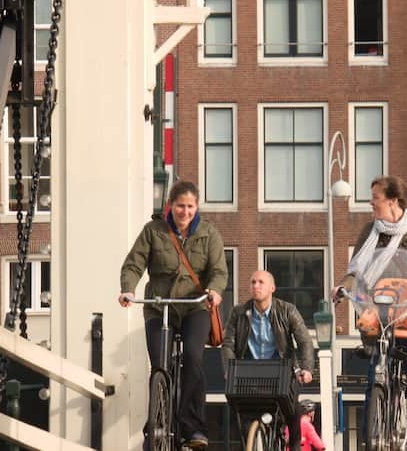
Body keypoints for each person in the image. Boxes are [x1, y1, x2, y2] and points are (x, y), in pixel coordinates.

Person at [333, 175, 407, 424]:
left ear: (393, 201)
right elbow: (356, 270)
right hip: (379, 307)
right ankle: (370, 427)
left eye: (375, 198)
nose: (371, 203)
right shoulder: (370, 231)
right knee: (374, 366)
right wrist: (343, 288)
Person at [119, 180, 227, 449]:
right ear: (170, 205)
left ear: (197, 207)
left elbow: (218, 270)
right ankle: (157, 421)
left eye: (190, 206)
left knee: (193, 357)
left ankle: (192, 426)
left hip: (195, 307)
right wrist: (128, 289)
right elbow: (134, 264)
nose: (185, 212)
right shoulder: (154, 231)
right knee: (159, 364)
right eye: (180, 206)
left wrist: (214, 291)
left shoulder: (209, 233)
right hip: (160, 305)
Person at [221, 270, 315, 451]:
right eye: (253, 282)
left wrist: (307, 368)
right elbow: (228, 344)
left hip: (282, 372)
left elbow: (305, 341)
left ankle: (295, 445)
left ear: (272, 288)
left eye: (261, 282)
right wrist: (228, 369)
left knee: (293, 411)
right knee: (239, 414)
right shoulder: (238, 312)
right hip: (249, 374)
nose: (256, 286)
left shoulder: (287, 310)